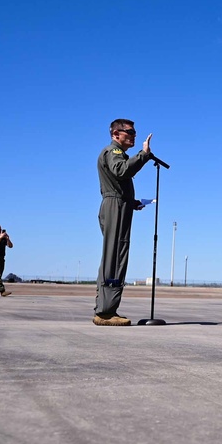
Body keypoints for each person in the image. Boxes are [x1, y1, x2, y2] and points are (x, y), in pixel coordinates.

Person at [94, 119, 152, 327]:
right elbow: (121, 171)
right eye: (129, 132)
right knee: (115, 255)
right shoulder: (114, 152)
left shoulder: (117, 153)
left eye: (135, 132)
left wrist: (132, 202)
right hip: (115, 207)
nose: (134, 135)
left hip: (120, 205)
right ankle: (106, 311)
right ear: (115, 134)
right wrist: (143, 155)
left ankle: (107, 307)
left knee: (116, 253)